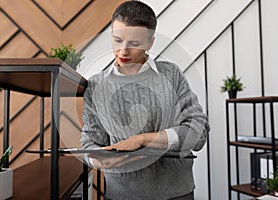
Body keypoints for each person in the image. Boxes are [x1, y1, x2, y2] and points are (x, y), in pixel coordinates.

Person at [81, 1, 210, 200]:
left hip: (177, 194)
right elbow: (90, 142)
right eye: (117, 40)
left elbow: (199, 134)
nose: (123, 51)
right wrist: (99, 160)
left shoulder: (171, 75)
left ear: (150, 43)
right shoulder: (96, 86)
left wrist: (141, 140)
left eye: (134, 44)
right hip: (120, 195)